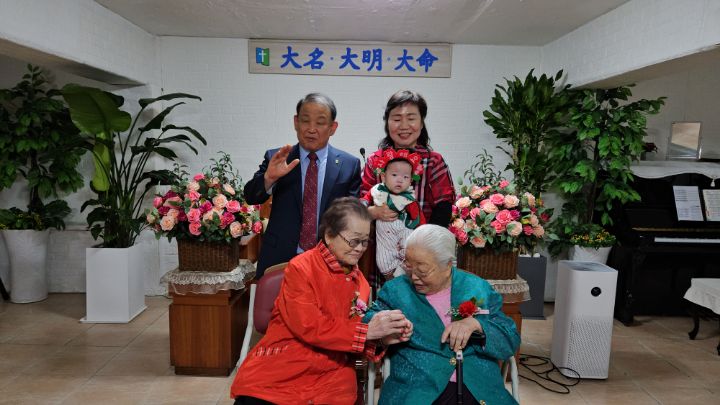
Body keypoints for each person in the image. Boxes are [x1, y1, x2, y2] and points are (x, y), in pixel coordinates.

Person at [230, 198, 413, 405]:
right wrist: (367, 332)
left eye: (365, 242)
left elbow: (351, 336)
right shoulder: (301, 268)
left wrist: (381, 338)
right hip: (285, 366)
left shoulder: (360, 281)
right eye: (353, 241)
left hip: (333, 375)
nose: (360, 249)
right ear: (329, 235)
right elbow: (309, 325)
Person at [363, 224, 520, 405]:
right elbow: (367, 324)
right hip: (417, 388)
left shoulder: (477, 288)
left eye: (422, 271)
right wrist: (383, 333)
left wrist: (477, 325)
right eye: (408, 267)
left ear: (447, 266)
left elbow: (510, 339)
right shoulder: (395, 291)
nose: (413, 277)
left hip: (478, 386)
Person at [244, 93, 362, 278]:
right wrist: (269, 178)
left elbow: (352, 216)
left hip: (330, 260)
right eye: (305, 121)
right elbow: (251, 196)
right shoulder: (278, 158)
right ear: (296, 122)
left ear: (333, 128)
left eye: (320, 122)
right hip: (280, 258)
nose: (311, 129)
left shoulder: (349, 165)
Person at [361, 90, 456, 228]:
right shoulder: (374, 161)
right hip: (380, 240)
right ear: (387, 123)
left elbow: (443, 207)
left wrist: (425, 239)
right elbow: (359, 205)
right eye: (397, 119)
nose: (404, 126)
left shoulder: (433, 161)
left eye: (411, 119)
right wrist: (374, 212)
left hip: (424, 239)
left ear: (421, 123)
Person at [361, 147, 425, 279]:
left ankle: (402, 272)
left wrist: (423, 231)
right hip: (385, 237)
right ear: (383, 177)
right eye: (394, 175)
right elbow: (365, 199)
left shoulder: (408, 198)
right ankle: (392, 277)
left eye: (405, 177)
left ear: (410, 181)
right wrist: (364, 204)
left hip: (404, 230)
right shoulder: (377, 190)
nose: (400, 180)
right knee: (382, 261)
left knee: (411, 251)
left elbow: (419, 217)